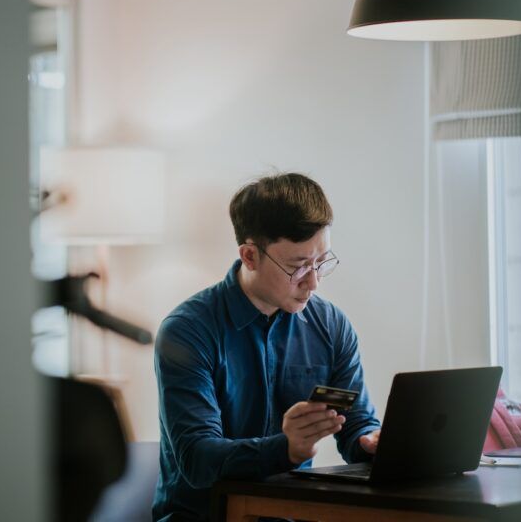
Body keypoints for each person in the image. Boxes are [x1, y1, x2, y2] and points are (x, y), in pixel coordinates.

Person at [152, 173, 382, 521]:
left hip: (290, 514)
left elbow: (353, 424)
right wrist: (284, 448)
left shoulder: (331, 326)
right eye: (298, 266)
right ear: (249, 256)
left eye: (320, 262)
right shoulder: (187, 331)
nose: (314, 282)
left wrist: (369, 442)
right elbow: (198, 458)